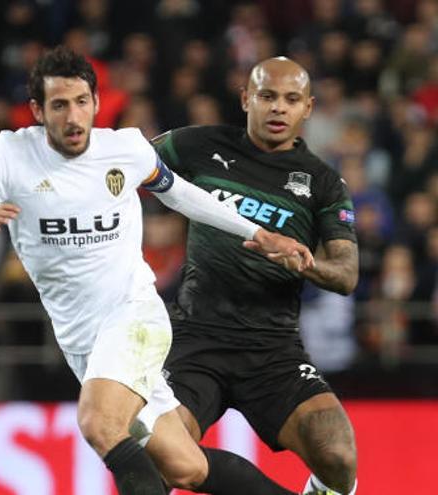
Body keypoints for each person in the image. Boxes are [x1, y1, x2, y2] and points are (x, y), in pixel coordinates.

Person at [0, 46, 313, 495]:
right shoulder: (8, 157)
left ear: (95, 100)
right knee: (184, 467)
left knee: (98, 422)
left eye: (82, 102)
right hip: (80, 342)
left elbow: (181, 193)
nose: (74, 117)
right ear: (36, 110)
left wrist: (258, 233)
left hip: (134, 317)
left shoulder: (124, 149)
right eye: (59, 105)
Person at [150, 57, 360, 495]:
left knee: (338, 455)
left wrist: (303, 261)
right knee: (162, 458)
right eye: (266, 96)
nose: (278, 108)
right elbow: (123, 162)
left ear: (308, 108)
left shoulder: (323, 184)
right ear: (246, 99)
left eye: (291, 99)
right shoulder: (197, 145)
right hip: (196, 339)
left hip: (273, 350)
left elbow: (346, 275)